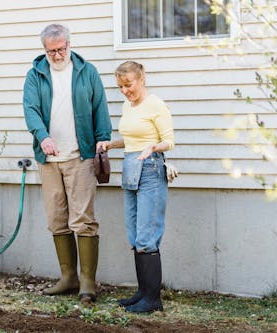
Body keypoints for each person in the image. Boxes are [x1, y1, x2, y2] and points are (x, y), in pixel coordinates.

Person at [23, 24, 112, 304]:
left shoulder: (87, 72)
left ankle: (88, 282)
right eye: (52, 51)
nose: (58, 55)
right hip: (49, 160)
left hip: (81, 155)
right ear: (44, 50)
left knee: (83, 219)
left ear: (69, 44)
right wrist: (43, 136)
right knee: (57, 219)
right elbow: (31, 110)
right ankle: (68, 278)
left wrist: (103, 139)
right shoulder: (36, 75)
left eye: (62, 49)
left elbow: (101, 107)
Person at [97, 61, 174, 313]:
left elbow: (168, 142)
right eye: (120, 86)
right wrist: (110, 145)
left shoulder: (156, 104)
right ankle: (142, 293)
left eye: (128, 84)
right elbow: (132, 140)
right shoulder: (127, 106)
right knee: (134, 233)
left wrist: (153, 147)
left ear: (141, 79)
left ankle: (153, 300)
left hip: (150, 168)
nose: (125, 90)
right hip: (131, 167)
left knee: (146, 234)